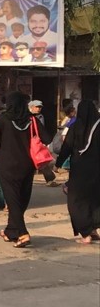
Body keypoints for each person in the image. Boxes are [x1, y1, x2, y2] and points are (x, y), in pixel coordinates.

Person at [0, 92, 52, 247]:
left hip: (8, 164)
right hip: (27, 165)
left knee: (12, 199)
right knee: (22, 198)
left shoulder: (2, 119)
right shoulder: (32, 120)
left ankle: (23, 233)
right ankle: (11, 231)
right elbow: (47, 138)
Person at [55, 100, 100, 244]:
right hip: (97, 169)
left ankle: (86, 232)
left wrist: (58, 164)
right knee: (94, 198)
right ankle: (93, 229)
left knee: (76, 200)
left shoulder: (75, 127)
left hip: (79, 169)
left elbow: (66, 147)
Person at [28, 100, 58, 186]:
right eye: (37, 107)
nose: (38, 109)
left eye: (40, 107)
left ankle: (50, 179)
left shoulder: (39, 117)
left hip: (34, 143)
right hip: (32, 144)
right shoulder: (32, 118)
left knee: (41, 161)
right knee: (40, 161)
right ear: (31, 107)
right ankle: (49, 179)